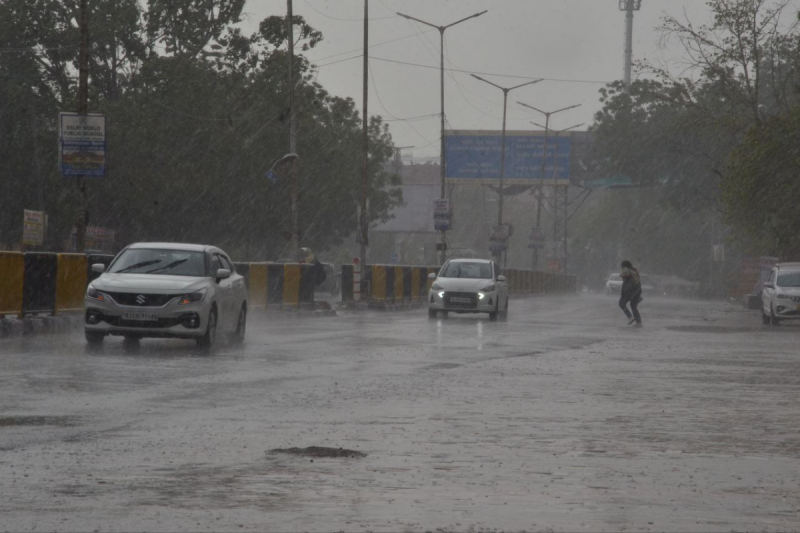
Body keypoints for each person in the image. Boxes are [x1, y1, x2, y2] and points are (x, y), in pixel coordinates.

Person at [619, 260, 643, 327]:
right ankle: (639, 322)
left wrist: (621, 275)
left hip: (630, 290)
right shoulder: (634, 271)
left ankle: (630, 317)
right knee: (633, 306)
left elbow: (626, 275)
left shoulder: (625, 269)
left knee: (621, 303)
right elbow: (637, 280)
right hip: (637, 290)